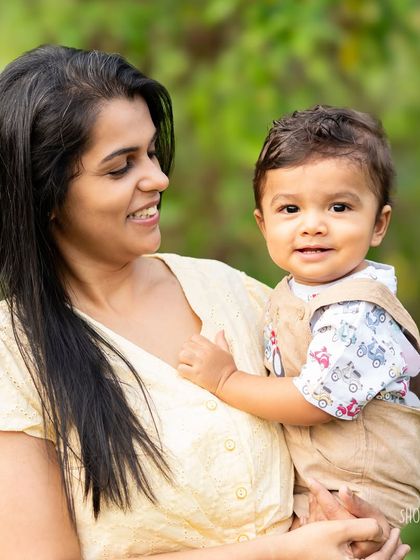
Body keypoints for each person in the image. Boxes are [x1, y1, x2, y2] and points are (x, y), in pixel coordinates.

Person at [0, 46, 409, 560]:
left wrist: (361, 525)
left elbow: (350, 432)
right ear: (48, 196)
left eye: (150, 153)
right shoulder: (14, 358)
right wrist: (282, 554)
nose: (158, 178)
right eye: (120, 167)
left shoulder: (234, 293)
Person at [178, 105, 420, 528]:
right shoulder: (290, 293)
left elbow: (314, 400)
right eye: (290, 210)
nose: (312, 225)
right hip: (324, 481)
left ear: (378, 225)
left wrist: (226, 380)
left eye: (339, 208)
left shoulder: (357, 310)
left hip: (363, 490)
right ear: (263, 224)